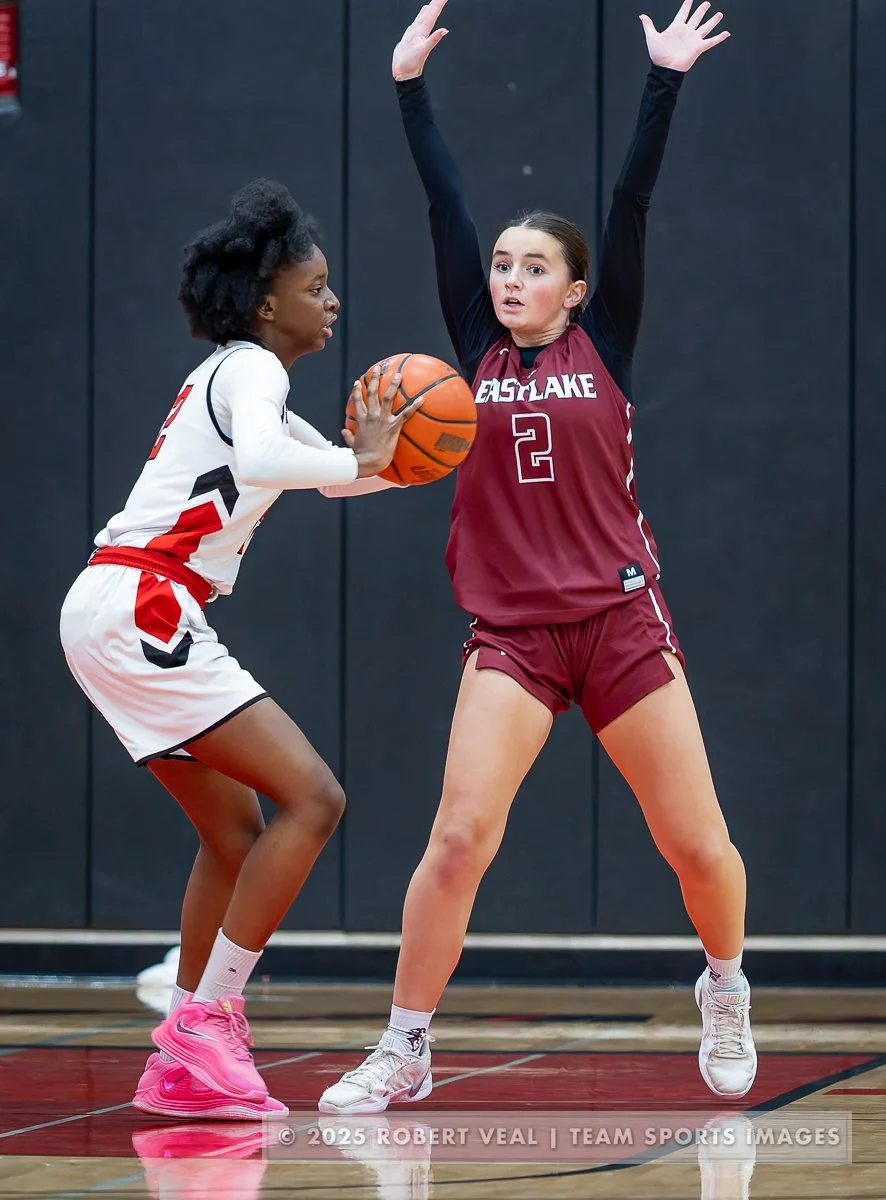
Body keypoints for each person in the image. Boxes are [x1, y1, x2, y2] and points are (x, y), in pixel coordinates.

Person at [320, 0, 756, 1116]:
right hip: (512, 634)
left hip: (617, 622)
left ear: (572, 287)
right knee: (458, 834)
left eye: (532, 267)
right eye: (503, 265)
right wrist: (407, 86)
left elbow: (631, 202)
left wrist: (662, 82)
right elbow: (445, 202)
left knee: (696, 851)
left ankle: (723, 983)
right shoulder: (471, 346)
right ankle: (404, 1045)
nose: (509, 278)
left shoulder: (602, 338)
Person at [60, 178, 418, 1121]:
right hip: (144, 603)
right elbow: (272, 466)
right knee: (315, 798)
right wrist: (359, 460)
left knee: (234, 833)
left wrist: (410, 459)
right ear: (267, 303)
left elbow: (331, 480)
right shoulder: (253, 370)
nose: (333, 301)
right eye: (317, 286)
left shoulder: (234, 375)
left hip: (115, 605)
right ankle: (207, 1023)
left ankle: (183, 1050)